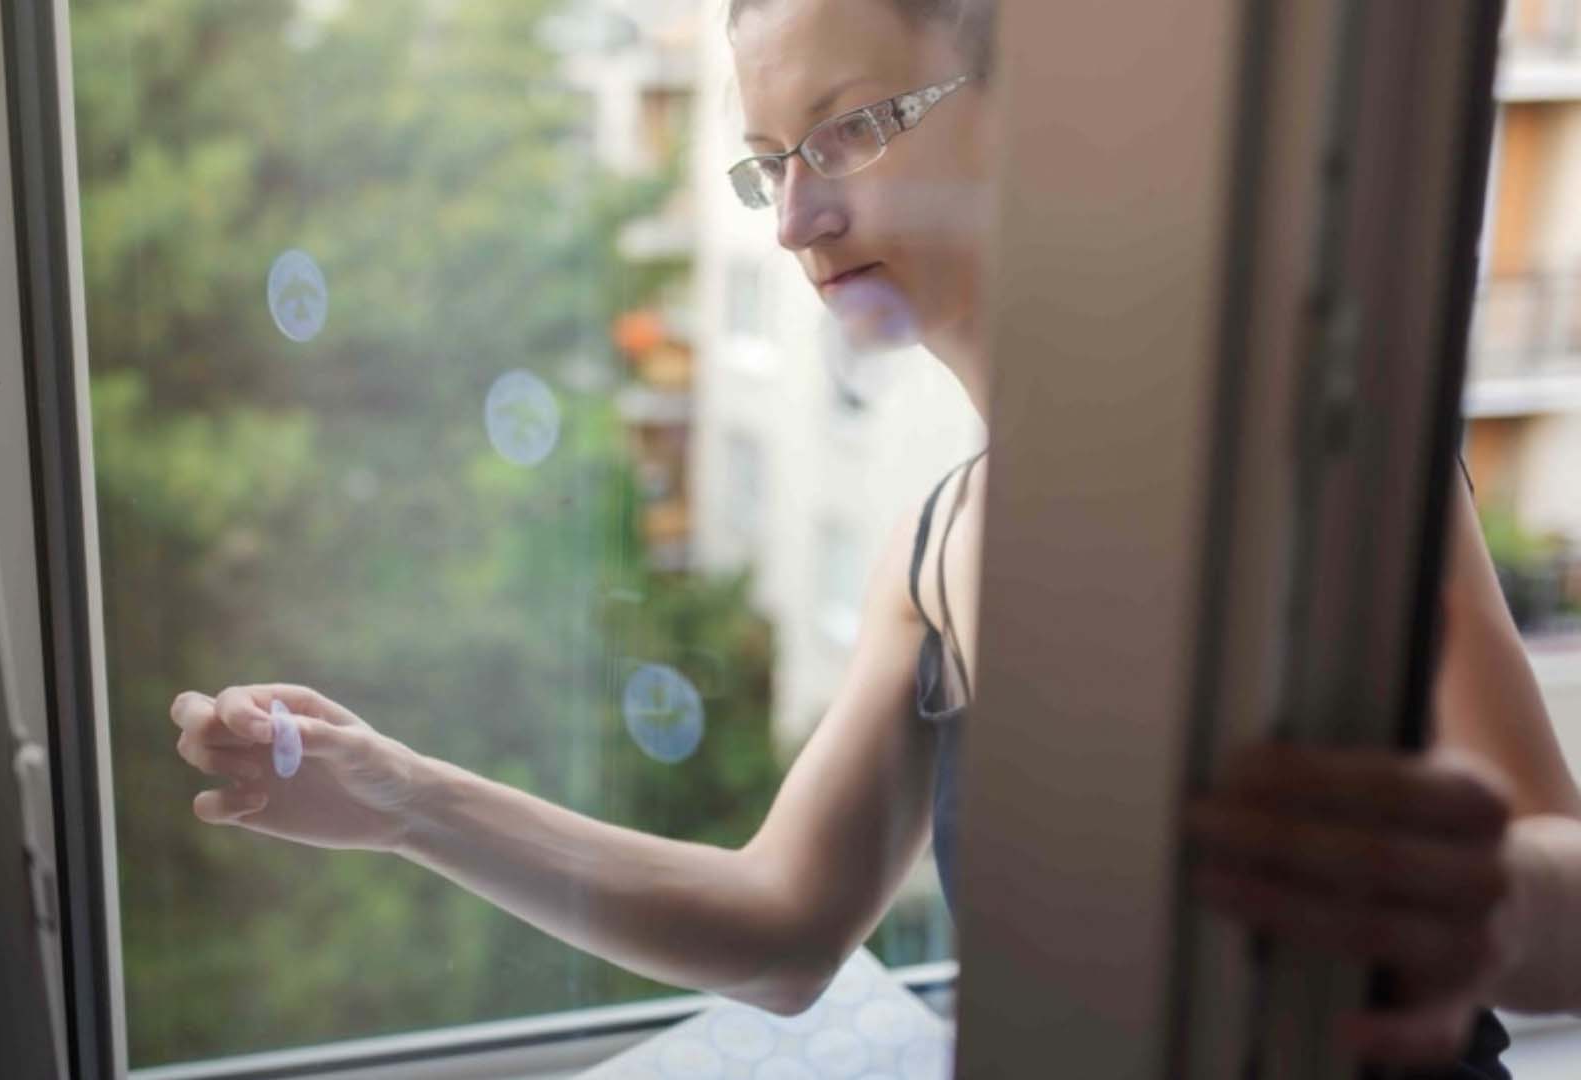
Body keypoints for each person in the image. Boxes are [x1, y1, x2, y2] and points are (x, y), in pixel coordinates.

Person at [172, 0, 1581, 1072]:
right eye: (768, 162)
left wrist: (1487, 903)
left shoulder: (1286, 447)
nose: (796, 218)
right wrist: (405, 798)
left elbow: (1562, 909)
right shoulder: (940, 539)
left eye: (850, 128)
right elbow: (784, 925)